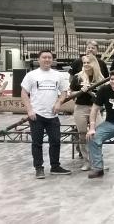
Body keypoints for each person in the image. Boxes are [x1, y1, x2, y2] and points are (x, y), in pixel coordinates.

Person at [21, 50, 71, 179]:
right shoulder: (31, 75)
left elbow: (64, 92)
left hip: (53, 115)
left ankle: (55, 166)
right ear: (39, 60)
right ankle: (39, 168)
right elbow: (24, 93)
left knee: (55, 141)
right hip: (36, 115)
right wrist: (29, 110)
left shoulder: (58, 75)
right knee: (37, 143)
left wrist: (59, 102)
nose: (47, 59)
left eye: (49, 57)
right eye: (44, 57)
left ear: (52, 60)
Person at [69, 54, 105, 171]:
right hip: (80, 108)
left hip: (95, 108)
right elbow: (71, 94)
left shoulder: (100, 78)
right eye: (84, 63)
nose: (86, 65)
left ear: (94, 63)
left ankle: (98, 161)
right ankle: (87, 161)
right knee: (83, 135)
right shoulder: (77, 77)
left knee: (97, 134)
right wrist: (80, 91)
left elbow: (103, 97)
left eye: (88, 62)